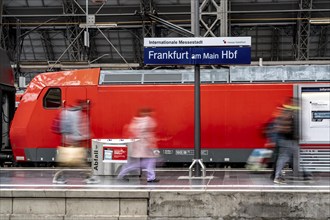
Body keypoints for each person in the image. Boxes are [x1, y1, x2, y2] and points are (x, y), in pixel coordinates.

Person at [52, 100, 99, 184]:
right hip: (74, 141)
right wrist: (85, 136)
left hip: (69, 140)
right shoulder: (77, 114)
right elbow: (78, 129)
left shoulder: (67, 113)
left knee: (68, 162)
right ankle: (89, 177)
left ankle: (58, 177)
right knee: (78, 161)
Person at [273, 98, 311, 184]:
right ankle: (278, 176)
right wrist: (297, 136)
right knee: (285, 158)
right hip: (288, 139)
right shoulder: (291, 113)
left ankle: (307, 174)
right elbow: (290, 127)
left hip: (288, 139)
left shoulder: (287, 112)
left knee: (295, 157)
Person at [117, 108, 160, 183]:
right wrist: (150, 142)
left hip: (141, 145)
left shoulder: (136, 121)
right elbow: (149, 130)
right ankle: (121, 175)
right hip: (145, 145)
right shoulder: (147, 120)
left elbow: (132, 131)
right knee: (140, 163)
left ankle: (151, 177)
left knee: (149, 161)